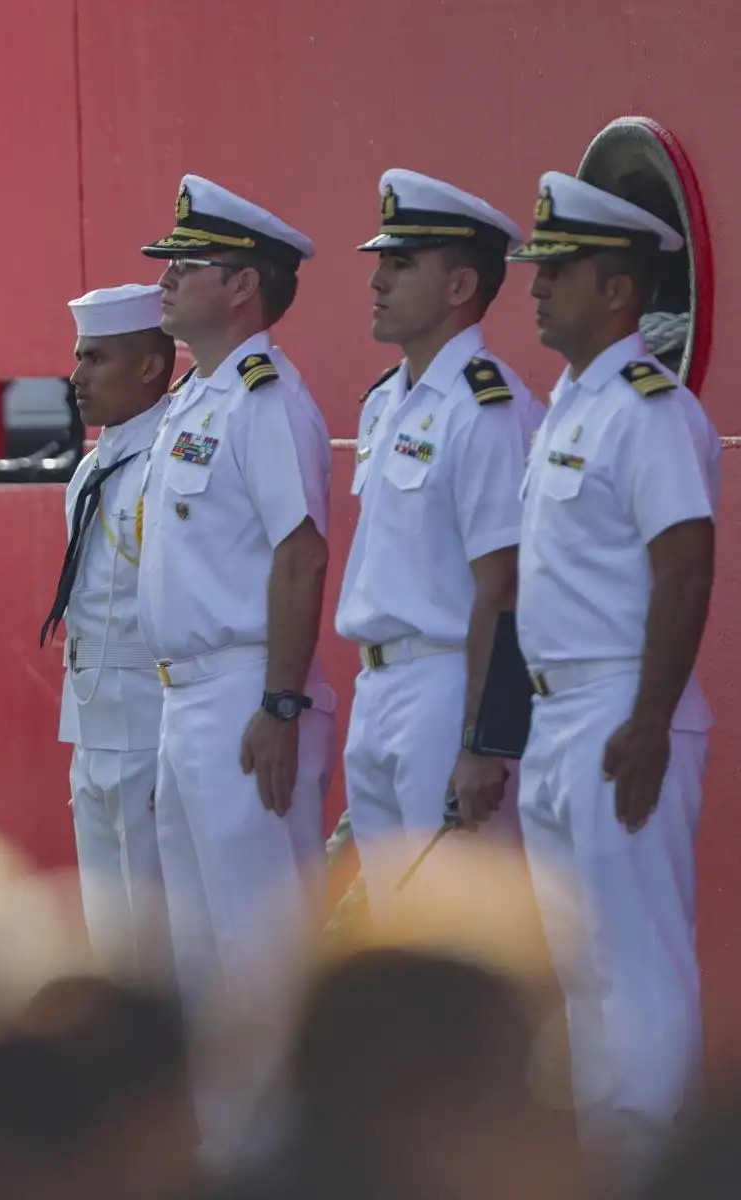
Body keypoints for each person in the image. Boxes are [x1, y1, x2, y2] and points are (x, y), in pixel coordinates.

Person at [507, 172, 718, 1179]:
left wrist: (648, 717)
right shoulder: (569, 406)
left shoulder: (649, 409)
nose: (537, 288)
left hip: (621, 708)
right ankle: (599, 1160)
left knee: (636, 963)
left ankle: (654, 1166)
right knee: (579, 968)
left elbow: (686, 562)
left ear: (621, 291)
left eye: (560, 272)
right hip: (563, 715)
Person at [133, 175, 336, 1166]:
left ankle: (289, 1159)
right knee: (198, 960)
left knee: (264, 953)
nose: (164, 281)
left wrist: (281, 701)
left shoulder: (267, 399)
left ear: (243, 286)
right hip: (187, 701)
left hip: (246, 695)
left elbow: (300, 551)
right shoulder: (200, 397)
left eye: (187, 266)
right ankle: (226, 1157)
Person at [335, 169, 543, 905]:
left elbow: (505, 582)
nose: (379, 280)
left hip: (447, 685)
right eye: (382, 261)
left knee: (456, 923)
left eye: (402, 263)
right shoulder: (387, 401)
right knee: (393, 934)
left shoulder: (486, 407)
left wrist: (483, 739)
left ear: (460, 287)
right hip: (380, 687)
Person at [39, 283, 176, 974]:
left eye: (96, 359)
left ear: (150, 366)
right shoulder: (97, 463)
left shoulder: (171, 460)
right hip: (93, 720)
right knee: (110, 939)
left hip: (152, 719)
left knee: (160, 938)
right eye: (78, 357)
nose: (76, 376)